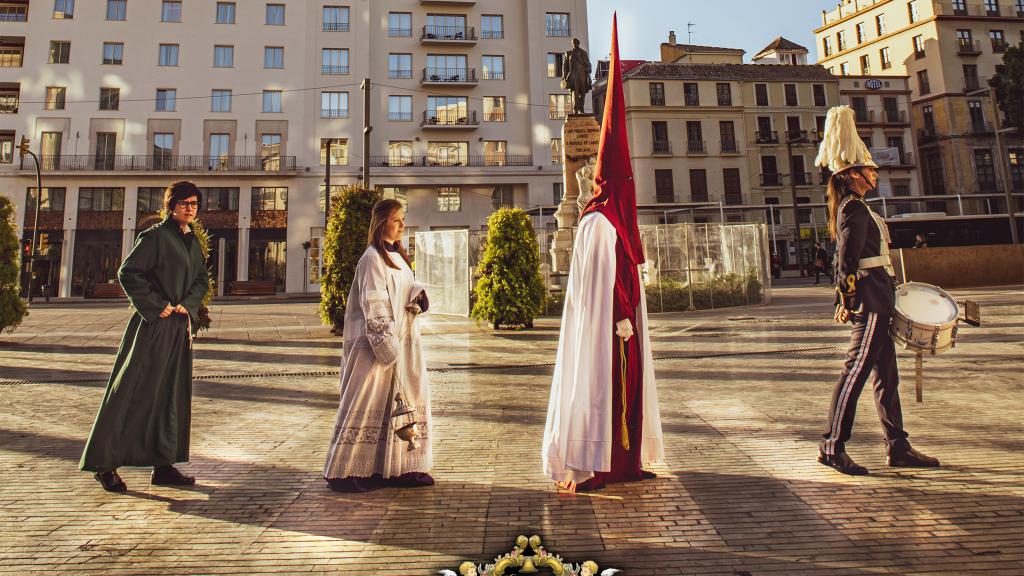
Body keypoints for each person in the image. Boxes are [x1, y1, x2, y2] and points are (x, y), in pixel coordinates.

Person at [543, 15, 665, 492]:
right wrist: (618, 315)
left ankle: (629, 461)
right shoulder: (594, 222)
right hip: (610, 330)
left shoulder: (613, 218)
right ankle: (598, 461)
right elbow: (598, 282)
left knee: (630, 392)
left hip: (627, 326)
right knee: (605, 391)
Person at [814, 106, 939, 476]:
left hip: (880, 298)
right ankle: (831, 446)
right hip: (869, 301)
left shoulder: (859, 206)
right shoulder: (853, 209)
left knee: (887, 377)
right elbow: (846, 259)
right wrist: (847, 298)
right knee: (854, 372)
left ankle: (897, 446)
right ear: (853, 175)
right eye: (870, 169)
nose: (875, 173)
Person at [80, 181, 209, 492]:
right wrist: (157, 305)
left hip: (179, 328)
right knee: (132, 393)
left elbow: (201, 280)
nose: (189, 208)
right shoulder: (154, 237)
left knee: (170, 394)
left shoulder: (191, 242)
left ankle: (163, 465)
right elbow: (128, 272)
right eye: (183, 203)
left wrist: (186, 307)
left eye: (194, 203)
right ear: (170, 206)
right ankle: (104, 464)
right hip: (152, 328)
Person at [323, 199, 432, 492]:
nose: (402, 225)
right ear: (382, 222)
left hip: (404, 343)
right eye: (396, 220)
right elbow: (373, 303)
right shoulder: (372, 258)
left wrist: (418, 294)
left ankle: (402, 468)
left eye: (402, 219)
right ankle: (346, 472)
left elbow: (404, 288)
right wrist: (388, 347)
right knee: (365, 402)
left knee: (403, 403)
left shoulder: (398, 256)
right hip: (375, 348)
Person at [561, 38, 593, 115]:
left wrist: (588, 69)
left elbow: (588, 64)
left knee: (583, 92)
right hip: (573, 75)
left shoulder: (583, 53)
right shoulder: (568, 53)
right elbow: (565, 66)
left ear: (578, 43)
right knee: (574, 92)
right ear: (572, 44)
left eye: (576, 42)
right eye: (573, 42)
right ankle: (576, 109)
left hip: (582, 75)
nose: (574, 44)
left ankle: (581, 108)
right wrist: (564, 77)